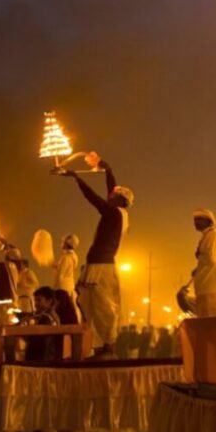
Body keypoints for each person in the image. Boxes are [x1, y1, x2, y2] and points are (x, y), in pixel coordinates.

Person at [61, 151, 133, 359]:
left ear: (119, 199)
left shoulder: (114, 213)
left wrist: (77, 178)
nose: (110, 194)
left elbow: (92, 198)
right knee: (88, 307)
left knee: (103, 309)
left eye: (113, 194)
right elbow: (111, 188)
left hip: (102, 268)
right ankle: (99, 346)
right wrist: (107, 170)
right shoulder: (118, 211)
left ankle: (108, 345)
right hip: (95, 264)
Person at [190, 208, 216, 318]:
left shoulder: (213, 236)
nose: (196, 222)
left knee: (213, 322)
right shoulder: (206, 236)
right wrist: (197, 269)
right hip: (205, 288)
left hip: (213, 288)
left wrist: (199, 257)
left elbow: (211, 259)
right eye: (194, 219)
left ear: (209, 221)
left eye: (199, 219)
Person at [25, 286, 61, 362]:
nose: (36, 304)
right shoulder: (48, 315)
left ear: (49, 301)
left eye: (39, 300)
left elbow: (37, 338)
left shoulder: (47, 317)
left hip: (43, 357)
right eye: (35, 301)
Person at [52, 233, 80, 319]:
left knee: (62, 312)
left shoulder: (66, 257)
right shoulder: (73, 256)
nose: (61, 243)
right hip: (69, 286)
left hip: (62, 288)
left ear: (67, 244)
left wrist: (56, 289)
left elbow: (61, 274)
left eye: (63, 242)